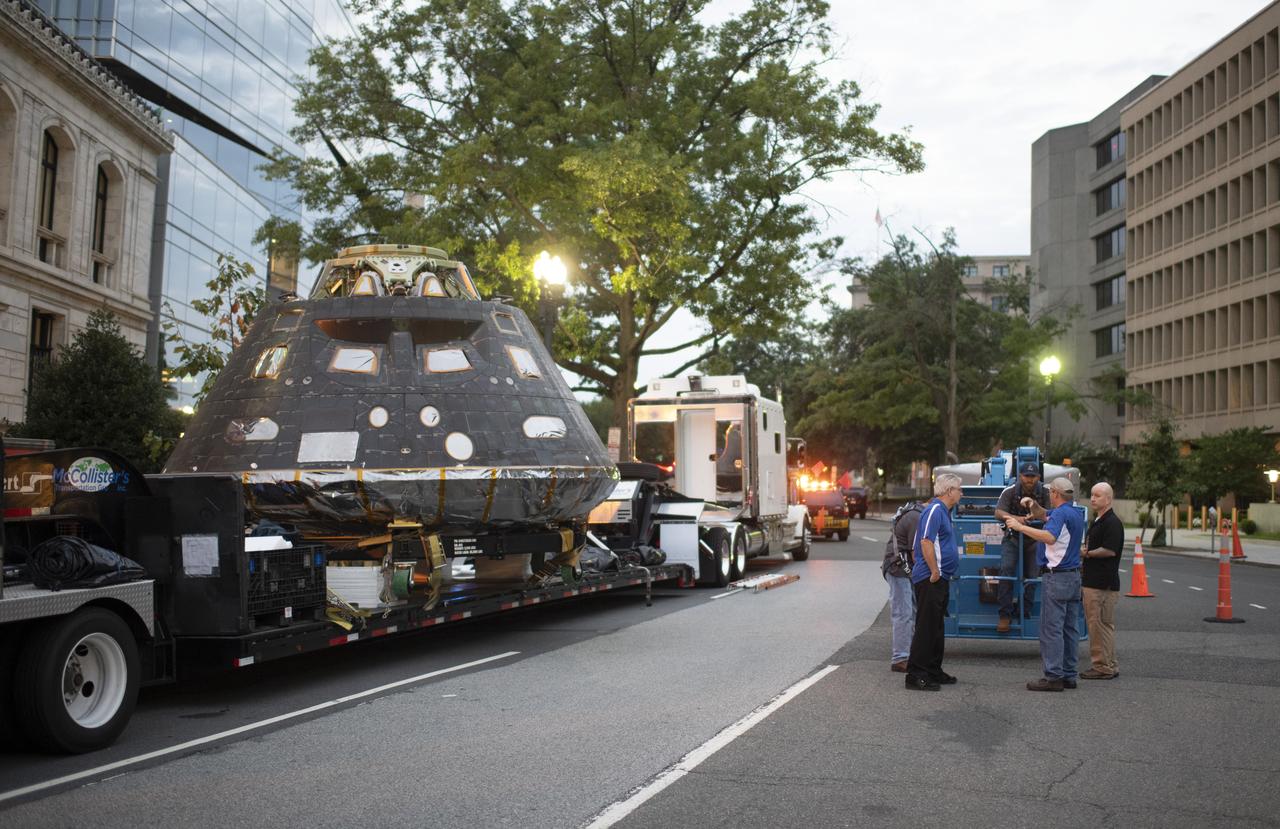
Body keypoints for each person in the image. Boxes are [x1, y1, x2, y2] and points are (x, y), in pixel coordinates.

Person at [1005, 477, 1085, 692]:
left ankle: (1053, 676)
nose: (1049, 495)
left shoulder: (1059, 514)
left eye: (1051, 492)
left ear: (1056, 494)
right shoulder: (1074, 513)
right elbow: (1044, 515)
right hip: (1073, 577)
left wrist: (1019, 527)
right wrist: (1032, 504)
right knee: (1070, 629)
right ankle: (1069, 674)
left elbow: (1049, 537)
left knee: (1051, 629)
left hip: (1056, 577)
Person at [905, 474, 963, 692]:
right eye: (959, 489)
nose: (961, 493)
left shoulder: (944, 512)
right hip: (931, 578)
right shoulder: (934, 510)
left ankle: (933, 670)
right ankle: (916, 674)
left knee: (936, 627)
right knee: (926, 627)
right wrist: (934, 570)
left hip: (940, 578)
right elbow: (925, 541)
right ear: (949, 491)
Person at [993, 461, 1051, 634]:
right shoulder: (1009, 491)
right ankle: (1005, 615)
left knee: (1032, 576)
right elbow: (998, 512)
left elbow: (1051, 514)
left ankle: (1023, 612)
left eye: (1033, 476)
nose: (1029, 480)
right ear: (1020, 476)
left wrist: (1036, 512)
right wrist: (1016, 519)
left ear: (1038, 477)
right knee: (1006, 570)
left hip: (1035, 539)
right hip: (1013, 538)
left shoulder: (1046, 492)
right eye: (1026, 476)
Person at [1081, 482, 1124, 679]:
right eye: (1092, 494)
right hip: (1101, 582)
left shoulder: (1112, 522)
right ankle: (1110, 664)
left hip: (1100, 584)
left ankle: (1101, 666)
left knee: (1097, 625)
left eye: (1097, 495)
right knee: (1104, 625)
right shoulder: (1099, 520)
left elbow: (1109, 550)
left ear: (1108, 499)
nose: (1092, 498)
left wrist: (1087, 553)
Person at [882, 501, 923, 673]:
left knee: (910, 612)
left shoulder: (915, 513)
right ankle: (900, 658)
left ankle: (907, 654)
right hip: (899, 569)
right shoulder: (916, 517)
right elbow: (916, 552)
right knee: (904, 613)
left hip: (901, 568)